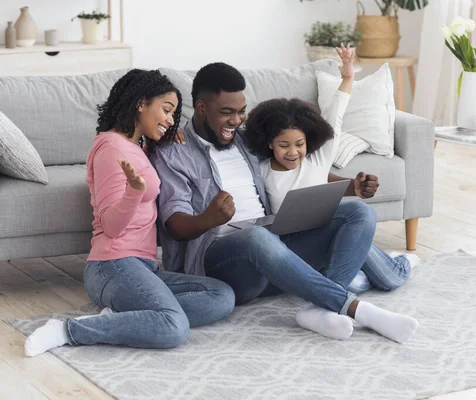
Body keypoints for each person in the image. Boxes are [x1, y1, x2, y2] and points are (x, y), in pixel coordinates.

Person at [150, 63, 419, 343]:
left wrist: (352, 186)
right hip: (224, 262)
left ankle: (325, 309)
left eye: (241, 111)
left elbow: (296, 168)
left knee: (358, 214)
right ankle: (356, 308)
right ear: (202, 108)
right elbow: (174, 225)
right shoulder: (173, 153)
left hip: (276, 248)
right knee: (255, 236)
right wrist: (209, 218)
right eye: (226, 112)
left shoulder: (245, 140)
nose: (236, 120)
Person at [24, 69, 235, 357]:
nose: (170, 120)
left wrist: (167, 136)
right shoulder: (111, 148)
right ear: (141, 103)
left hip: (145, 266)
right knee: (173, 327)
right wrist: (134, 190)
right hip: (112, 264)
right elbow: (111, 225)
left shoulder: (137, 146)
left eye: (173, 115)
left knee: (222, 296)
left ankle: (128, 317)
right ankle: (68, 330)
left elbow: (152, 151)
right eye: (166, 110)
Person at [244, 44, 419, 294]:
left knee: (387, 279)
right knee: (359, 282)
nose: (293, 152)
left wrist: (348, 76)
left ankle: (399, 265)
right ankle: (358, 277)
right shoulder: (261, 170)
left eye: (299, 144)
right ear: (269, 143)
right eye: (283, 145)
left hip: (329, 230)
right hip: (293, 246)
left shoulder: (318, 157)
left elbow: (336, 111)